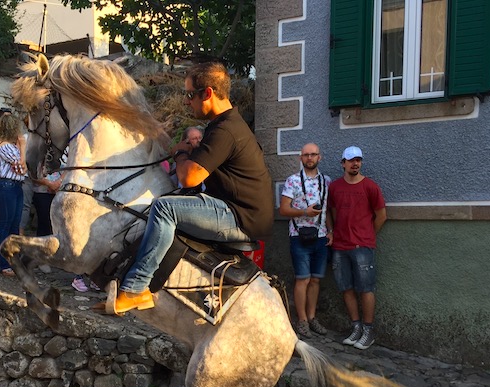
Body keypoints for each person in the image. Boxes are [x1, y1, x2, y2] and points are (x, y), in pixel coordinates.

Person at [115, 61, 274, 314]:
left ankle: (136, 288)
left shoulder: (226, 130)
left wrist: (179, 154)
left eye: (190, 94)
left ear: (208, 93)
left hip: (240, 218)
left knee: (165, 208)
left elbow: (189, 177)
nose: (186, 101)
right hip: (238, 211)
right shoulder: (225, 124)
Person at [328, 146, 387, 350]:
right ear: (342, 163)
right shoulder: (334, 187)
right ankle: (356, 328)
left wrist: (368, 235)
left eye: (358, 160)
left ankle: (368, 331)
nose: (355, 163)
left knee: (366, 288)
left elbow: (381, 215)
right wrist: (332, 231)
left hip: (363, 246)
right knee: (346, 287)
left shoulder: (370, 186)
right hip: (339, 245)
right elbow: (330, 211)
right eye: (351, 160)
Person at [279, 142, 331, 338]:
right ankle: (301, 320)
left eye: (313, 154)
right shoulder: (292, 181)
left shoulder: (327, 181)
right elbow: (283, 209)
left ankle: (311, 317)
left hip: (320, 235)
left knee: (316, 280)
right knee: (303, 279)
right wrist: (304, 211)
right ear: (301, 158)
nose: (310, 158)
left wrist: (330, 230)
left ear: (320, 157)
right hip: (298, 235)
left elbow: (328, 209)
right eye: (306, 155)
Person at [0, 114, 26, 276]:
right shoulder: (4, 146)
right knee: (5, 224)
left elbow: (22, 169)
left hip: (14, 186)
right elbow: (21, 166)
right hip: (6, 186)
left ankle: (11, 262)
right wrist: (23, 147)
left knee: (13, 225)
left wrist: (22, 163)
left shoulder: (9, 146)